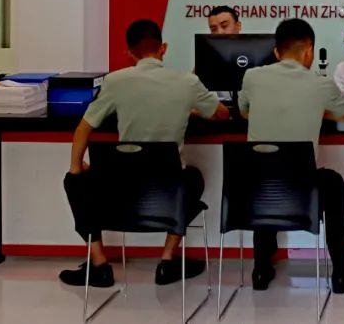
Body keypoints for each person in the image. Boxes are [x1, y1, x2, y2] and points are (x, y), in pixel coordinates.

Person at [60, 19, 230, 288]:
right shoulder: (187, 82)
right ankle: (167, 260)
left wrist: (76, 167)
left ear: (129, 53)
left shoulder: (115, 81)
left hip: (120, 192)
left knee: (74, 182)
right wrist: (188, 108)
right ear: (164, 48)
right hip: (169, 192)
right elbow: (222, 114)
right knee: (194, 179)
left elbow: (83, 129)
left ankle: (99, 264)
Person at [238, 19, 344, 294]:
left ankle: (260, 269)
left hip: (256, 191)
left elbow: (245, 112)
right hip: (301, 191)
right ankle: (340, 272)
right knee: (334, 185)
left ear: (276, 52)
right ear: (309, 51)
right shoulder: (320, 84)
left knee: (266, 176)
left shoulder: (252, 77)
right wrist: (320, 110)